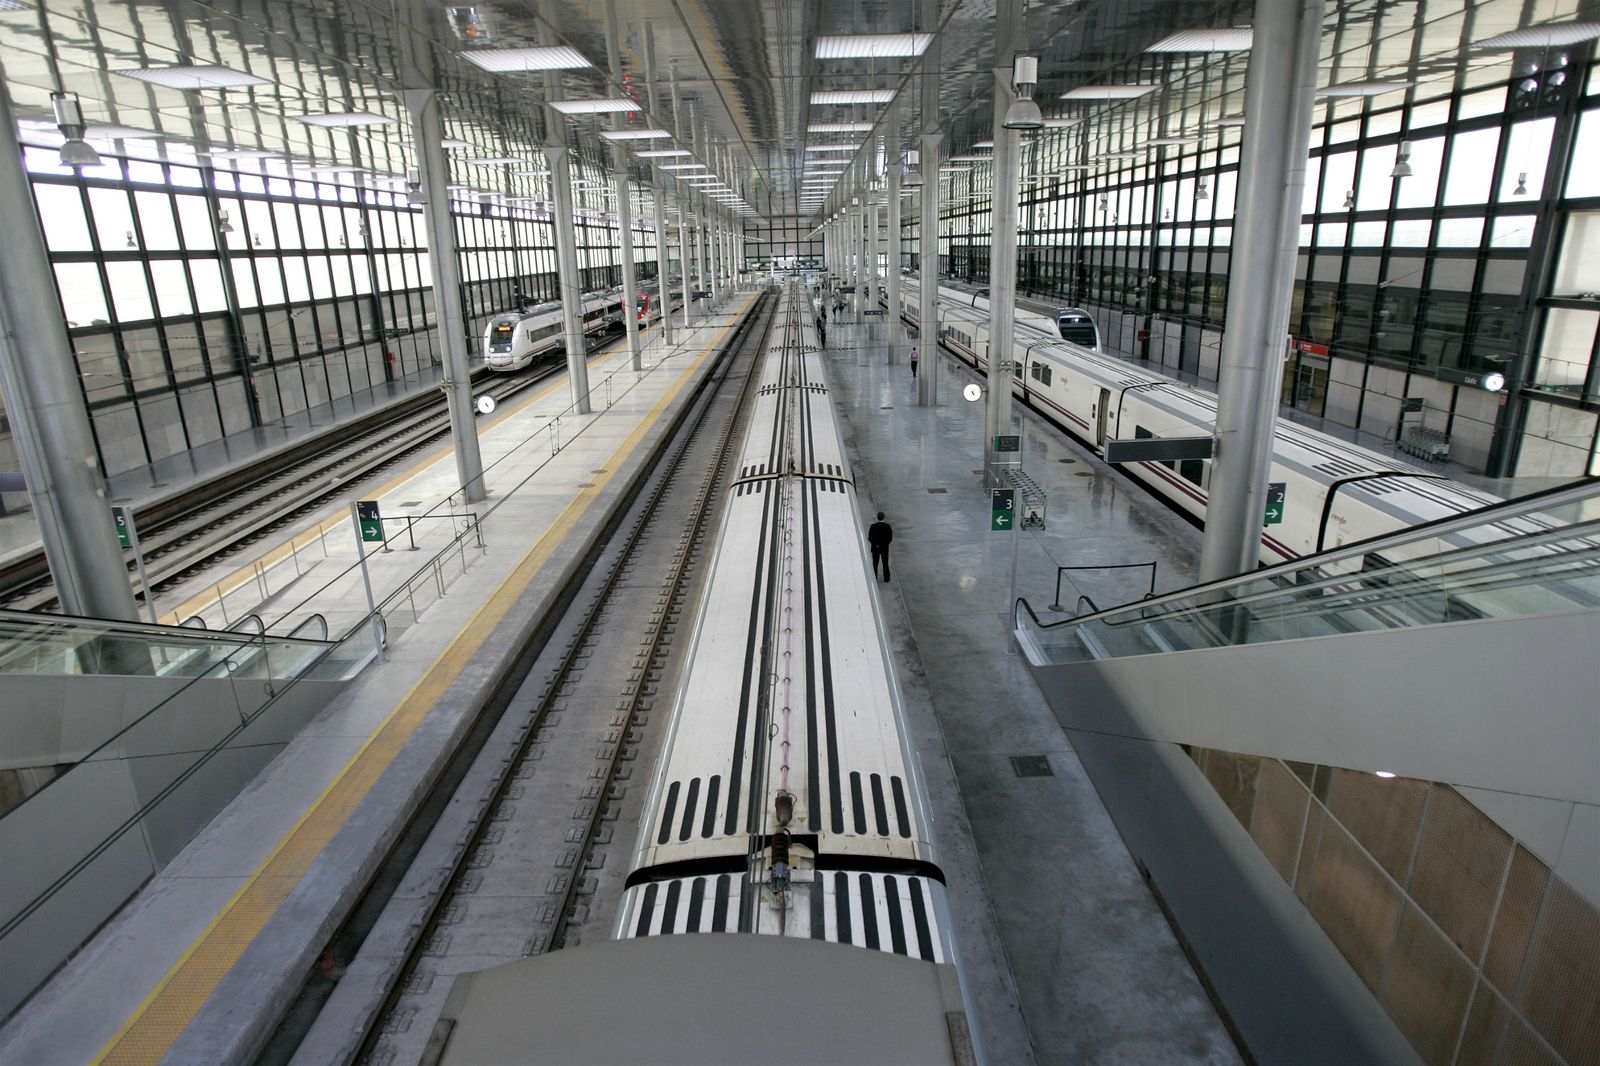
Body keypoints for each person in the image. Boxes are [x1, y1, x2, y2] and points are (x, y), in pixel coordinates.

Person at [867, 512, 893, 583]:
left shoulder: (873, 526)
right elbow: (890, 538)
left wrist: (876, 544)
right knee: (885, 563)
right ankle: (886, 578)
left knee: (875, 564)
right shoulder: (887, 526)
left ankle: (874, 578)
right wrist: (884, 544)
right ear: (884, 517)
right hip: (884, 548)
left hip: (875, 548)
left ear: (877, 517)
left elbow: (870, 538)